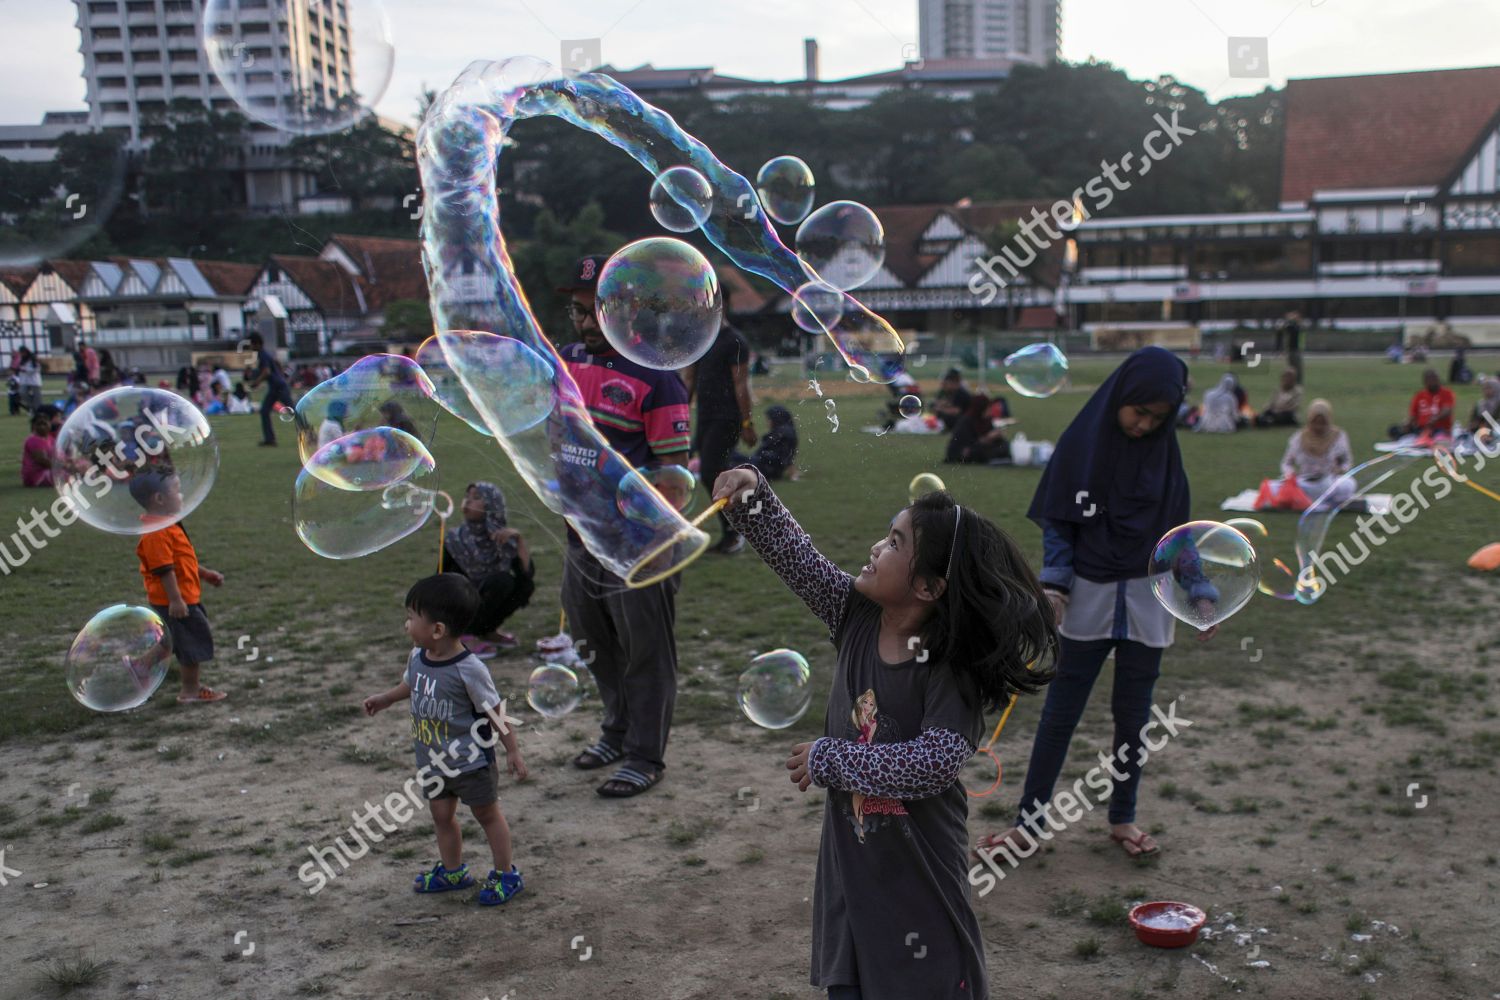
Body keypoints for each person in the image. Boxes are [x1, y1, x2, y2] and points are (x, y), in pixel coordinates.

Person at [711, 465, 1057, 1000]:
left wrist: (834, 760)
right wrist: (753, 495)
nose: (876, 546)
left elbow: (933, 763)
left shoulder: (950, 665)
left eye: (895, 542)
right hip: (852, 870)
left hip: (919, 876)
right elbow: (798, 559)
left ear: (928, 586)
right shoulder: (855, 615)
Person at [976, 347, 1216, 864]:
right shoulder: (1081, 445)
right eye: (1138, 412)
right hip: (1086, 598)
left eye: (1157, 418)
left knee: (1133, 719)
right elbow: (1061, 522)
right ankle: (1029, 825)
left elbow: (1178, 538)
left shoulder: (1165, 460)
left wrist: (1199, 591)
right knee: (1060, 714)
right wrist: (1056, 585)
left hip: (1148, 603)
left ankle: (1122, 817)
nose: (1144, 425)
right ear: (1120, 398)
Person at [558, 254, 691, 798]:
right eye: (577, 311)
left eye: (596, 311)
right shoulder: (563, 361)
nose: (585, 323)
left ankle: (645, 754)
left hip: (637, 543)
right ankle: (616, 729)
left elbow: (674, 472)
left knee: (645, 648)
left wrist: (658, 541)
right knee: (592, 639)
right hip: (580, 535)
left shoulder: (657, 379)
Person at [362, 573, 529, 905]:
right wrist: (386, 698)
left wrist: (512, 750)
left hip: (470, 763)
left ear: (437, 630)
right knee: (441, 815)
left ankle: (506, 874)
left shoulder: (470, 669)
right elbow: (410, 685)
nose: (406, 625)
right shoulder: (418, 657)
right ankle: (453, 871)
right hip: (433, 762)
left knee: (487, 815)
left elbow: (496, 711)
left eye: (411, 618)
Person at [130, 470, 228, 704]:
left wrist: (203, 574)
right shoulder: (156, 533)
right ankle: (190, 690)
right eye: (177, 489)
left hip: (179, 597)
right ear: (159, 499)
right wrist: (176, 600)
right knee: (190, 643)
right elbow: (164, 570)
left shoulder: (167, 525)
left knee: (172, 638)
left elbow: (181, 561)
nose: (182, 495)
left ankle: (141, 666)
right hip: (174, 600)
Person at [682, 285, 756, 555]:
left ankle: (735, 533)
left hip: (727, 417)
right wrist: (679, 413)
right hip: (705, 416)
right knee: (709, 474)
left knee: (713, 469)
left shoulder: (734, 341)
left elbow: (741, 385)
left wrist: (747, 423)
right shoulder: (700, 340)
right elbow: (689, 379)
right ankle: (735, 527)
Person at [443, 482, 536, 657]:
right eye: (467, 497)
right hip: (457, 606)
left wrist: (519, 541)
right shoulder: (454, 539)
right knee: (501, 581)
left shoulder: (503, 538)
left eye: (476, 498)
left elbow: (526, 575)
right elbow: (441, 578)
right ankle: (463, 636)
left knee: (522, 587)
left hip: (481, 600)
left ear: (492, 505)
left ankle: (486, 631)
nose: (467, 502)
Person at [1272, 399, 1353, 506]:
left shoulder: (1338, 436)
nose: (1319, 427)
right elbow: (1286, 463)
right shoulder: (1299, 437)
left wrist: (1340, 469)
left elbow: (1347, 462)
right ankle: (1313, 499)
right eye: (1315, 422)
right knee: (1273, 487)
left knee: (1349, 484)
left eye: (1323, 423)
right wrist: (1290, 474)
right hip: (1304, 483)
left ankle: (1310, 500)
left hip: (1328, 482)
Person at [247, 333, 293, 446]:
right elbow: (276, 362)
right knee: (264, 411)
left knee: (294, 411)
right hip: (276, 386)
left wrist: (256, 383)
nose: (250, 347)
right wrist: (281, 375)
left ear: (257, 344)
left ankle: (311, 434)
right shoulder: (265, 354)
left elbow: (266, 371)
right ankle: (269, 439)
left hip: (279, 387)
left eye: (251, 344)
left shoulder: (262, 355)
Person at [1389, 368, 1455, 439]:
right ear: (1425, 382)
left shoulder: (1447, 393)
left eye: (1435, 379)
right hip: (1421, 428)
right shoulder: (1419, 395)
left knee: (1439, 438)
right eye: (1431, 379)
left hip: (1439, 428)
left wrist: (1436, 418)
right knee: (1394, 429)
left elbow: (1447, 410)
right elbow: (1413, 415)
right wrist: (1407, 423)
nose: (1434, 382)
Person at [945, 395, 1011, 465]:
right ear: (981, 408)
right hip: (965, 452)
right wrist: (988, 438)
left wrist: (997, 436)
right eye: (988, 408)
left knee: (1004, 445)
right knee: (980, 451)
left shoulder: (986, 420)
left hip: (982, 447)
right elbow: (970, 445)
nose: (990, 410)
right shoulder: (966, 422)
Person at [748, 404, 799, 481]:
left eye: (768, 419)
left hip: (765, 468)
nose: (767, 422)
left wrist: (793, 474)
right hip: (763, 465)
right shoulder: (785, 431)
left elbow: (786, 455)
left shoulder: (783, 434)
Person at [21, 413, 55, 487]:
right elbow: (42, 461)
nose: (42, 427)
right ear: (33, 426)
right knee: (65, 475)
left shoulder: (51, 439)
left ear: (50, 424)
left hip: (48, 470)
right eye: (39, 424)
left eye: (44, 424)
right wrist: (62, 466)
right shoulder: (33, 440)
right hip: (36, 475)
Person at [15, 347, 42, 413]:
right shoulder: (22, 360)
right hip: (24, 380)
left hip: (34, 380)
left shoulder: (33, 359)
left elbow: (37, 369)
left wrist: (26, 370)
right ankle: (31, 405)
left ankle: (37, 410)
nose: (21, 354)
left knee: (37, 396)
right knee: (22, 392)